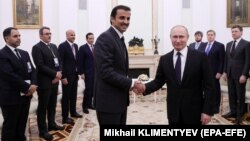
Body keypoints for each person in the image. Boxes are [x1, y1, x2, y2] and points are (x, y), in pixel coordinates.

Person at [135, 25, 216, 125]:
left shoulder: (200, 57)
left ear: (187, 37)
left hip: (194, 111)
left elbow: (210, 86)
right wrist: (144, 87)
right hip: (174, 111)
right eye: (175, 37)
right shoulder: (165, 59)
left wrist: (207, 111)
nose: (178, 40)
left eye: (181, 37)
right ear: (170, 38)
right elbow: (158, 81)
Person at [94, 5, 141, 125]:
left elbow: (120, 69)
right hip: (108, 103)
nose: (125, 22)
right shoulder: (105, 38)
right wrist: (131, 83)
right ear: (112, 19)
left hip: (119, 101)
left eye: (128, 18)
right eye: (122, 18)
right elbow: (106, 72)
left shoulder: (118, 38)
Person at [0, 27, 37, 141]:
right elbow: (9, 75)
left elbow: (33, 70)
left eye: (19, 36)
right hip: (11, 97)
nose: (19, 38)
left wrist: (34, 84)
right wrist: (27, 87)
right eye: (15, 36)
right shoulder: (2, 54)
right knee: (10, 126)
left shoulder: (24, 53)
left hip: (25, 97)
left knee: (21, 124)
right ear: (6, 38)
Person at [32, 26, 64, 140]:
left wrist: (59, 73)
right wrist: (55, 74)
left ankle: (52, 124)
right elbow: (40, 65)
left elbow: (59, 60)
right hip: (45, 82)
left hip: (55, 81)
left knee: (52, 105)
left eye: (50, 33)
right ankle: (42, 130)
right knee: (43, 107)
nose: (49, 35)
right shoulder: (37, 47)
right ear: (41, 35)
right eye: (46, 34)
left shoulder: (54, 46)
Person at [222, 25, 250, 125]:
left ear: (241, 32)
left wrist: (244, 74)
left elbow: (248, 61)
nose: (233, 33)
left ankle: (240, 114)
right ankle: (233, 111)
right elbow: (226, 60)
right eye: (232, 31)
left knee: (240, 95)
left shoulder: (246, 44)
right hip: (229, 74)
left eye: (236, 31)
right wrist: (225, 72)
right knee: (232, 94)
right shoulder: (228, 44)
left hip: (240, 75)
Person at [58, 29, 82, 125]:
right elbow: (61, 62)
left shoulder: (75, 46)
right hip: (66, 76)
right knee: (66, 97)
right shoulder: (62, 46)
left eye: (74, 35)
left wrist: (79, 72)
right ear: (67, 36)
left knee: (73, 95)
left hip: (74, 75)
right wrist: (63, 77)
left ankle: (73, 112)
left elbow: (76, 61)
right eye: (71, 35)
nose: (73, 36)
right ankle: (65, 117)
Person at [199, 30, 225, 114]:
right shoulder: (203, 45)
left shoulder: (220, 46)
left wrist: (220, 72)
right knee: (203, 90)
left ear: (214, 36)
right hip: (202, 73)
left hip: (214, 73)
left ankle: (215, 108)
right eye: (208, 35)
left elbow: (222, 60)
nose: (210, 36)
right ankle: (204, 106)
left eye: (211, 35)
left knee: (215, 91)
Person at [77, 32, 95, 114]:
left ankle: (90, 104)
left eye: (93, 38)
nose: (92, 40)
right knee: (88, 90)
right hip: (87, 73)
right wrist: (81, 73)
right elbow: (79, 61)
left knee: (92, 89)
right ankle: (84, 106)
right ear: (86, 39)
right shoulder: (82, 48)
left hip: (95, 72)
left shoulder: (95, 47)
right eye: (90, 38)